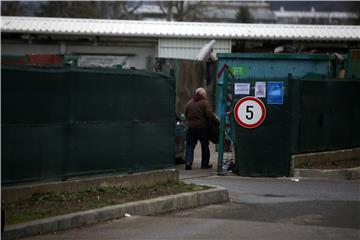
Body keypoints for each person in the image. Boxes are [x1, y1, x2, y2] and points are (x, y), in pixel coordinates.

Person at [184, 87, 219, 170]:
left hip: (191, 128)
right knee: (205, 146)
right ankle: (204, 164)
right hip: (202, 128)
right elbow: (209, 115)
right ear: (203, 94)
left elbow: (186, 114)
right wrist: (217, 122)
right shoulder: (204, 103)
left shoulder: (189, 103)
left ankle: (188, 162)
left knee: (190, 145)